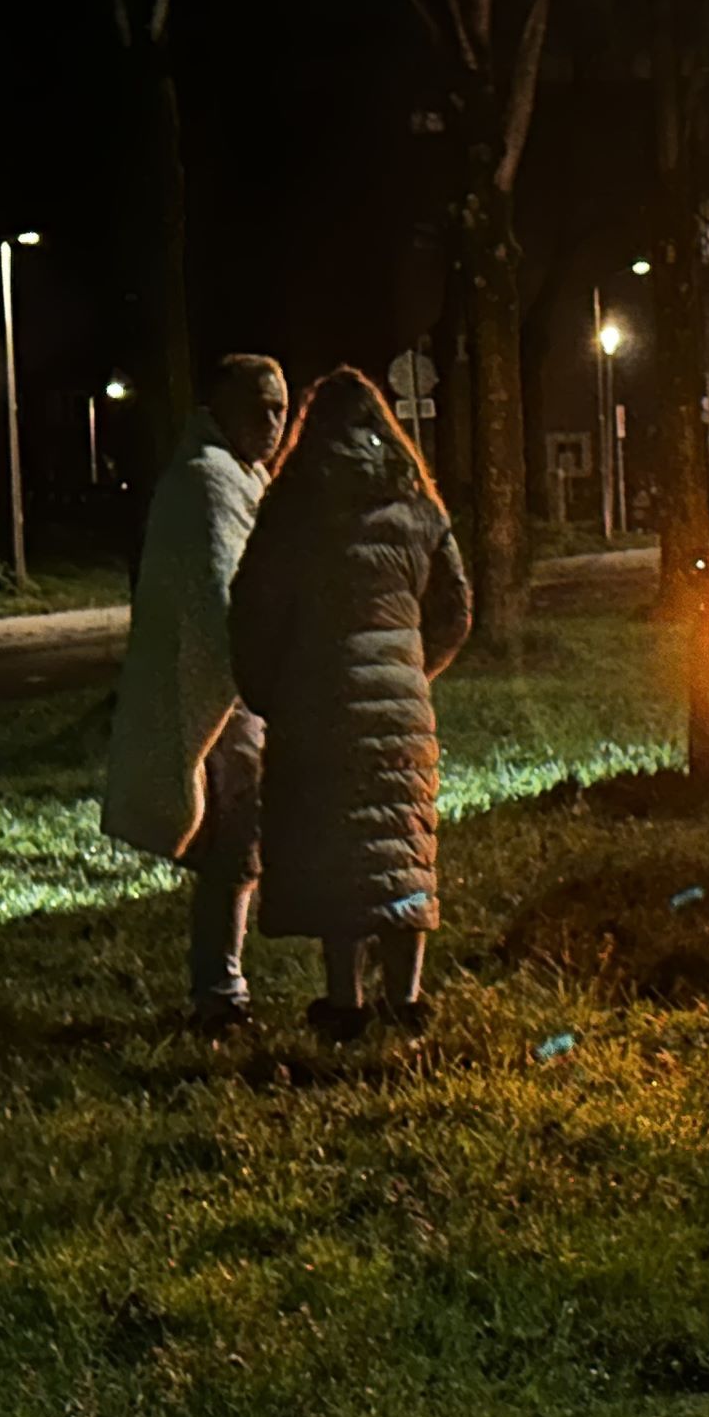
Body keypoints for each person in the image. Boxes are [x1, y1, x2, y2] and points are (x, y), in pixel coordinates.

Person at [229, 368, 471, 1041]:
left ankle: (344, 1001)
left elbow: (250, 611)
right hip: (401, 710)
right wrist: (412, 673)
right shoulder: (418, 506)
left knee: (338, 850)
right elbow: (456, 609)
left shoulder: (290, 508)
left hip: (315, 708)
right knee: (402, 846)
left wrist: (269, 690)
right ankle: (408, 998)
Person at [104, 355, 290, 1034]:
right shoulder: (207, 482)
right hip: (229, 696)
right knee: (235, 841)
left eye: (281, 408)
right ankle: (220, 989)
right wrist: (254, 674)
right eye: (261, 407)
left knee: (241, 841)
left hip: (245, 689)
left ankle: (222, 980)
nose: (274, 422)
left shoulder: (244, 477)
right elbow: (217, 600)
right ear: (222, 407)